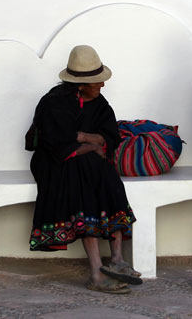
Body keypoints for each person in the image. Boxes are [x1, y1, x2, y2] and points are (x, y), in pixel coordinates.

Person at [28, 44, 141, 294]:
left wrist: (83, 137)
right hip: (53, 164)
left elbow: (110, 137)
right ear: (80, 85)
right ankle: (96, 272)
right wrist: (91, 143)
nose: (102, 85)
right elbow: (57, 146)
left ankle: (118, 260)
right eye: (97, 81)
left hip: (87, 162)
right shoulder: (54, 104)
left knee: (110, 182)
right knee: (84, 181)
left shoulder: (100, 103)